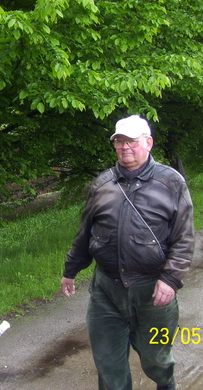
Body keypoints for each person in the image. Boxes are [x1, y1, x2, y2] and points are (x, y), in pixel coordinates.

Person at [60, 115, 194, 390]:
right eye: (119, 141)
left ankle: (166, 384)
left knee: (156, 359)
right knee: (109, 364)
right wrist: (70, 271)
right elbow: (85, 233)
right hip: (107, 290)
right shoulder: (102, 184)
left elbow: (184, 238)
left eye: (131, 141)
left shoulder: (171, 182)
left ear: (148, 143)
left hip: (152, 292)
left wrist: (170, 279)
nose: (124, 147)